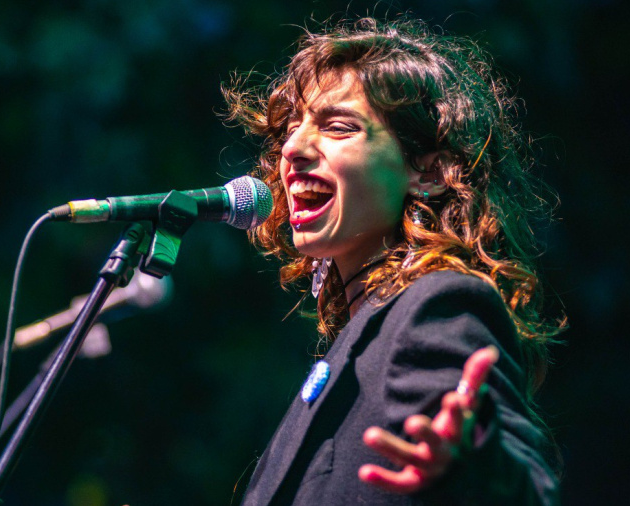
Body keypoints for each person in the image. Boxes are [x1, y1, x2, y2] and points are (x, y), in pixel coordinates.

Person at [223, 16, 565, 505]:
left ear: (429, 172)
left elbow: (525, 487)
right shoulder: (360, 337)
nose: (292, 148)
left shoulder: (437, 304)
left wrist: (474, 468)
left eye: (337, 127)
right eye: (292, 128)